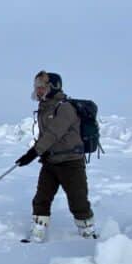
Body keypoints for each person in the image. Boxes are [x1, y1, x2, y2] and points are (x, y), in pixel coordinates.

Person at [15, 71, 95, 242]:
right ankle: (37, 233)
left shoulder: (65, 108)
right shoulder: (44, 108)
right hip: (50, 161)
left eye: (41, 86)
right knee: (41, 198)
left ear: (52, 87)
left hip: (71, 162)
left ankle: (88, 233)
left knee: (78, 200)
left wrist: (33, 153)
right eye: (36, 86)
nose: (37, 90)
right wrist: (36, 152)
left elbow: (53, 134)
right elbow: (46, 136)